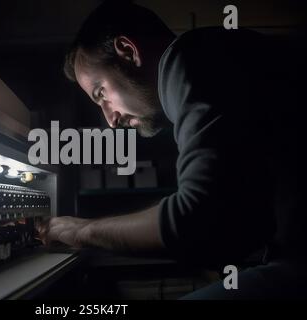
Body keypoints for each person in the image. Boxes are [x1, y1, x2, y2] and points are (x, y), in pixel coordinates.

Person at [37, 1, 307, 298]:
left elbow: (195, 218)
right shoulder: (216, 57)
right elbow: (236, 221)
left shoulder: (187, 58)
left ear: (128, 51)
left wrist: (81, 232)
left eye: (102, 93)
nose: (111, 120)